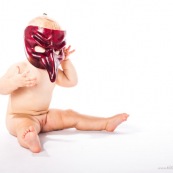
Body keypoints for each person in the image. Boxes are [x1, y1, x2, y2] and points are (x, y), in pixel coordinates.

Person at [0, 14, 129, 153]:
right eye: (45, 47)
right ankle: (30, 140)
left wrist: (65, 62)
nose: (52, 52)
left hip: (45, 116)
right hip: (19, 116)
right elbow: (2, 87)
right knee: (25, 126)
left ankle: (105, 123)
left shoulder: (51, 70)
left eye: (56, 49)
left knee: (70, 115)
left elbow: (71, 81)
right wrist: (16, 81)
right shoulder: (20, 68)